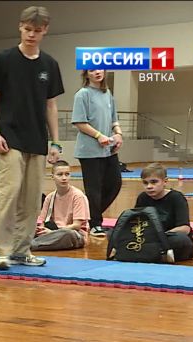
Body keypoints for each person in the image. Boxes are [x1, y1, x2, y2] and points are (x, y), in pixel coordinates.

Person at [0, 5, 63, 270]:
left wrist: (55, 142)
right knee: (8, 195)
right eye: (27, 29)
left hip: (37, 140)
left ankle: (22, 250)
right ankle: (2, 252)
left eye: (37, 31)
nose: (31, 34)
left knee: (31, 201)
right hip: (9, 138)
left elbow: (50, 105)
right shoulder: (3, 59)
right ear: (20, 27)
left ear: (45, 31)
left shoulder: (49, 64)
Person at [72, 69, 123, 238]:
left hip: (108, 149)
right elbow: (80, 122)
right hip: (89, 150)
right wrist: (98, 135)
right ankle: (95, 223)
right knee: (94, 189)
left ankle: (86, 216)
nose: (97, 72)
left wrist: (118, 134)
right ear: (86, 74)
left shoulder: (107, 93)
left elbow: (114, 119)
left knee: (115, 183)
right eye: (92, 70)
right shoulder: (82, 94)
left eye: (99, 69)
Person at [134, 163, 193, 262]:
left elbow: (185, 228)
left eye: (154, 182)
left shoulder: (176, 198)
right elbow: (135, 222)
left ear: (165, 181)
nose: (149, 186)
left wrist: (160, 235)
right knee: (112, 233)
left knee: (181, 239)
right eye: (145, 183)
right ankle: (155, 254)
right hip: (150, 239)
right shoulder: (143, 197)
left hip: (170, 238)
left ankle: (149, 253)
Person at [31, 160, 89, 251]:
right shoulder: (50, 197)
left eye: (67, 174)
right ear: (52, 177)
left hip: (73, 234)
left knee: (68, 234)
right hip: (52, 233)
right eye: (60, 174)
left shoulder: (78, 196)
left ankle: (31, 245)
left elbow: (76, 225)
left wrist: (53, 232)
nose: (64, 178)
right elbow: (42, 221)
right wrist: (41, 230)